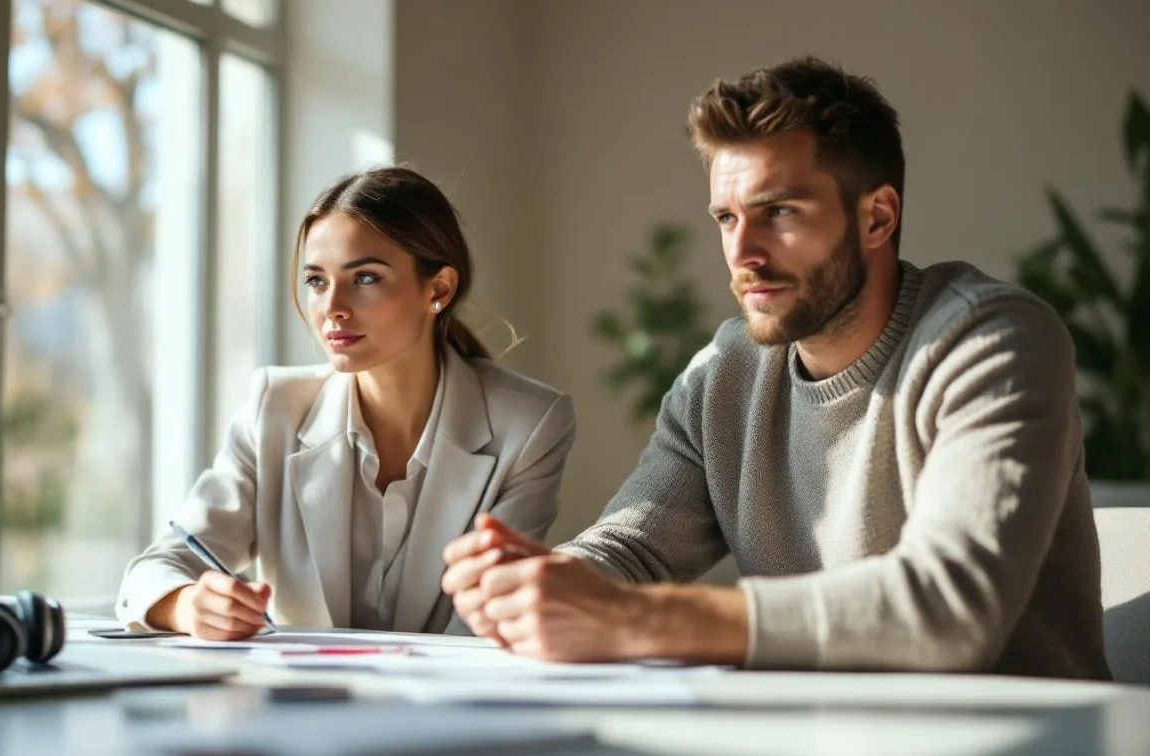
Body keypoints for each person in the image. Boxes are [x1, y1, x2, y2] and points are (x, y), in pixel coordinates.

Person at [440, 56, 1112, 679]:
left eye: (779, 212)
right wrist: (533, 587)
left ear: (877, 217)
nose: (743, 253)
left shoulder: (989, 341)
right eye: (726, 217)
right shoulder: (724, 374)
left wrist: (632, 618)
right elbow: (633, 552)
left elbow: (950, 608)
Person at [117, 166, 575, 639]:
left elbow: (488, 621)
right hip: (295, 687)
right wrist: (188, 605)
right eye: (317, 281)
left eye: (365, 278)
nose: (332, 306)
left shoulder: (530, 425)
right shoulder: (275, 409)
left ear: (438, 289)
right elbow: (157, 568)